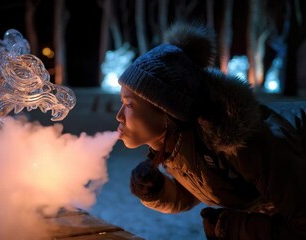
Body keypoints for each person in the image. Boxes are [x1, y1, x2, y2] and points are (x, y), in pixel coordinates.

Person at [116, 22, 306, 239]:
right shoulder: (182, 142)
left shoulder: (243, 144)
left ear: (167, 112)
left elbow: (302, 223)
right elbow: (200, 188)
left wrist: (232, 228)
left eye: (130, 105)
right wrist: (158, 190)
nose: (119, 115)